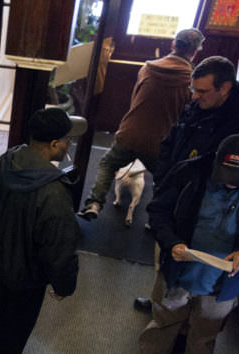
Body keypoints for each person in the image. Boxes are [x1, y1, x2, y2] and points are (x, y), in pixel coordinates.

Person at [113, 134, 239, 354]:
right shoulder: (189, 171)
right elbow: (158, 211)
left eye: (236, 176)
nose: (228, 181)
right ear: (216, 158)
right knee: (164, 320)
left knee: (204, 336)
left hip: (224, 279)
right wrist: (172, 243)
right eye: (223, 172)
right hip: (179, 268)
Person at [132, 55, 239, 312]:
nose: (194, 96)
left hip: (203, 208)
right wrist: (164, 176)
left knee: (197, 269)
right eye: (193, 89)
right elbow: (170, 142)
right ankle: (161, 303)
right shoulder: (196, 107)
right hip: (174, 193)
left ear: (224, 88)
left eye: (202, 91)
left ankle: (181, 324)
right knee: (168, 257)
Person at [0, 107, 85, 354]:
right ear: (54, 144)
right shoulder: (54, 191)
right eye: (67, 140)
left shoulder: (5, 161)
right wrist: (63, 285)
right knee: (18, 323)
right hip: (29, 273)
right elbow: (60, 245)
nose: (69, 144)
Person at [78, 28, 204, 220]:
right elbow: (188, 116)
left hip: (130, 133)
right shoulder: (190, 80)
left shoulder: (147, 69)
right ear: (195, 51)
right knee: (164, 180)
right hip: (160, 142)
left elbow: (134, 100)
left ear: (173, 44)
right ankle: (154, 220)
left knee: (107, 163)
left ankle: (94, 203)